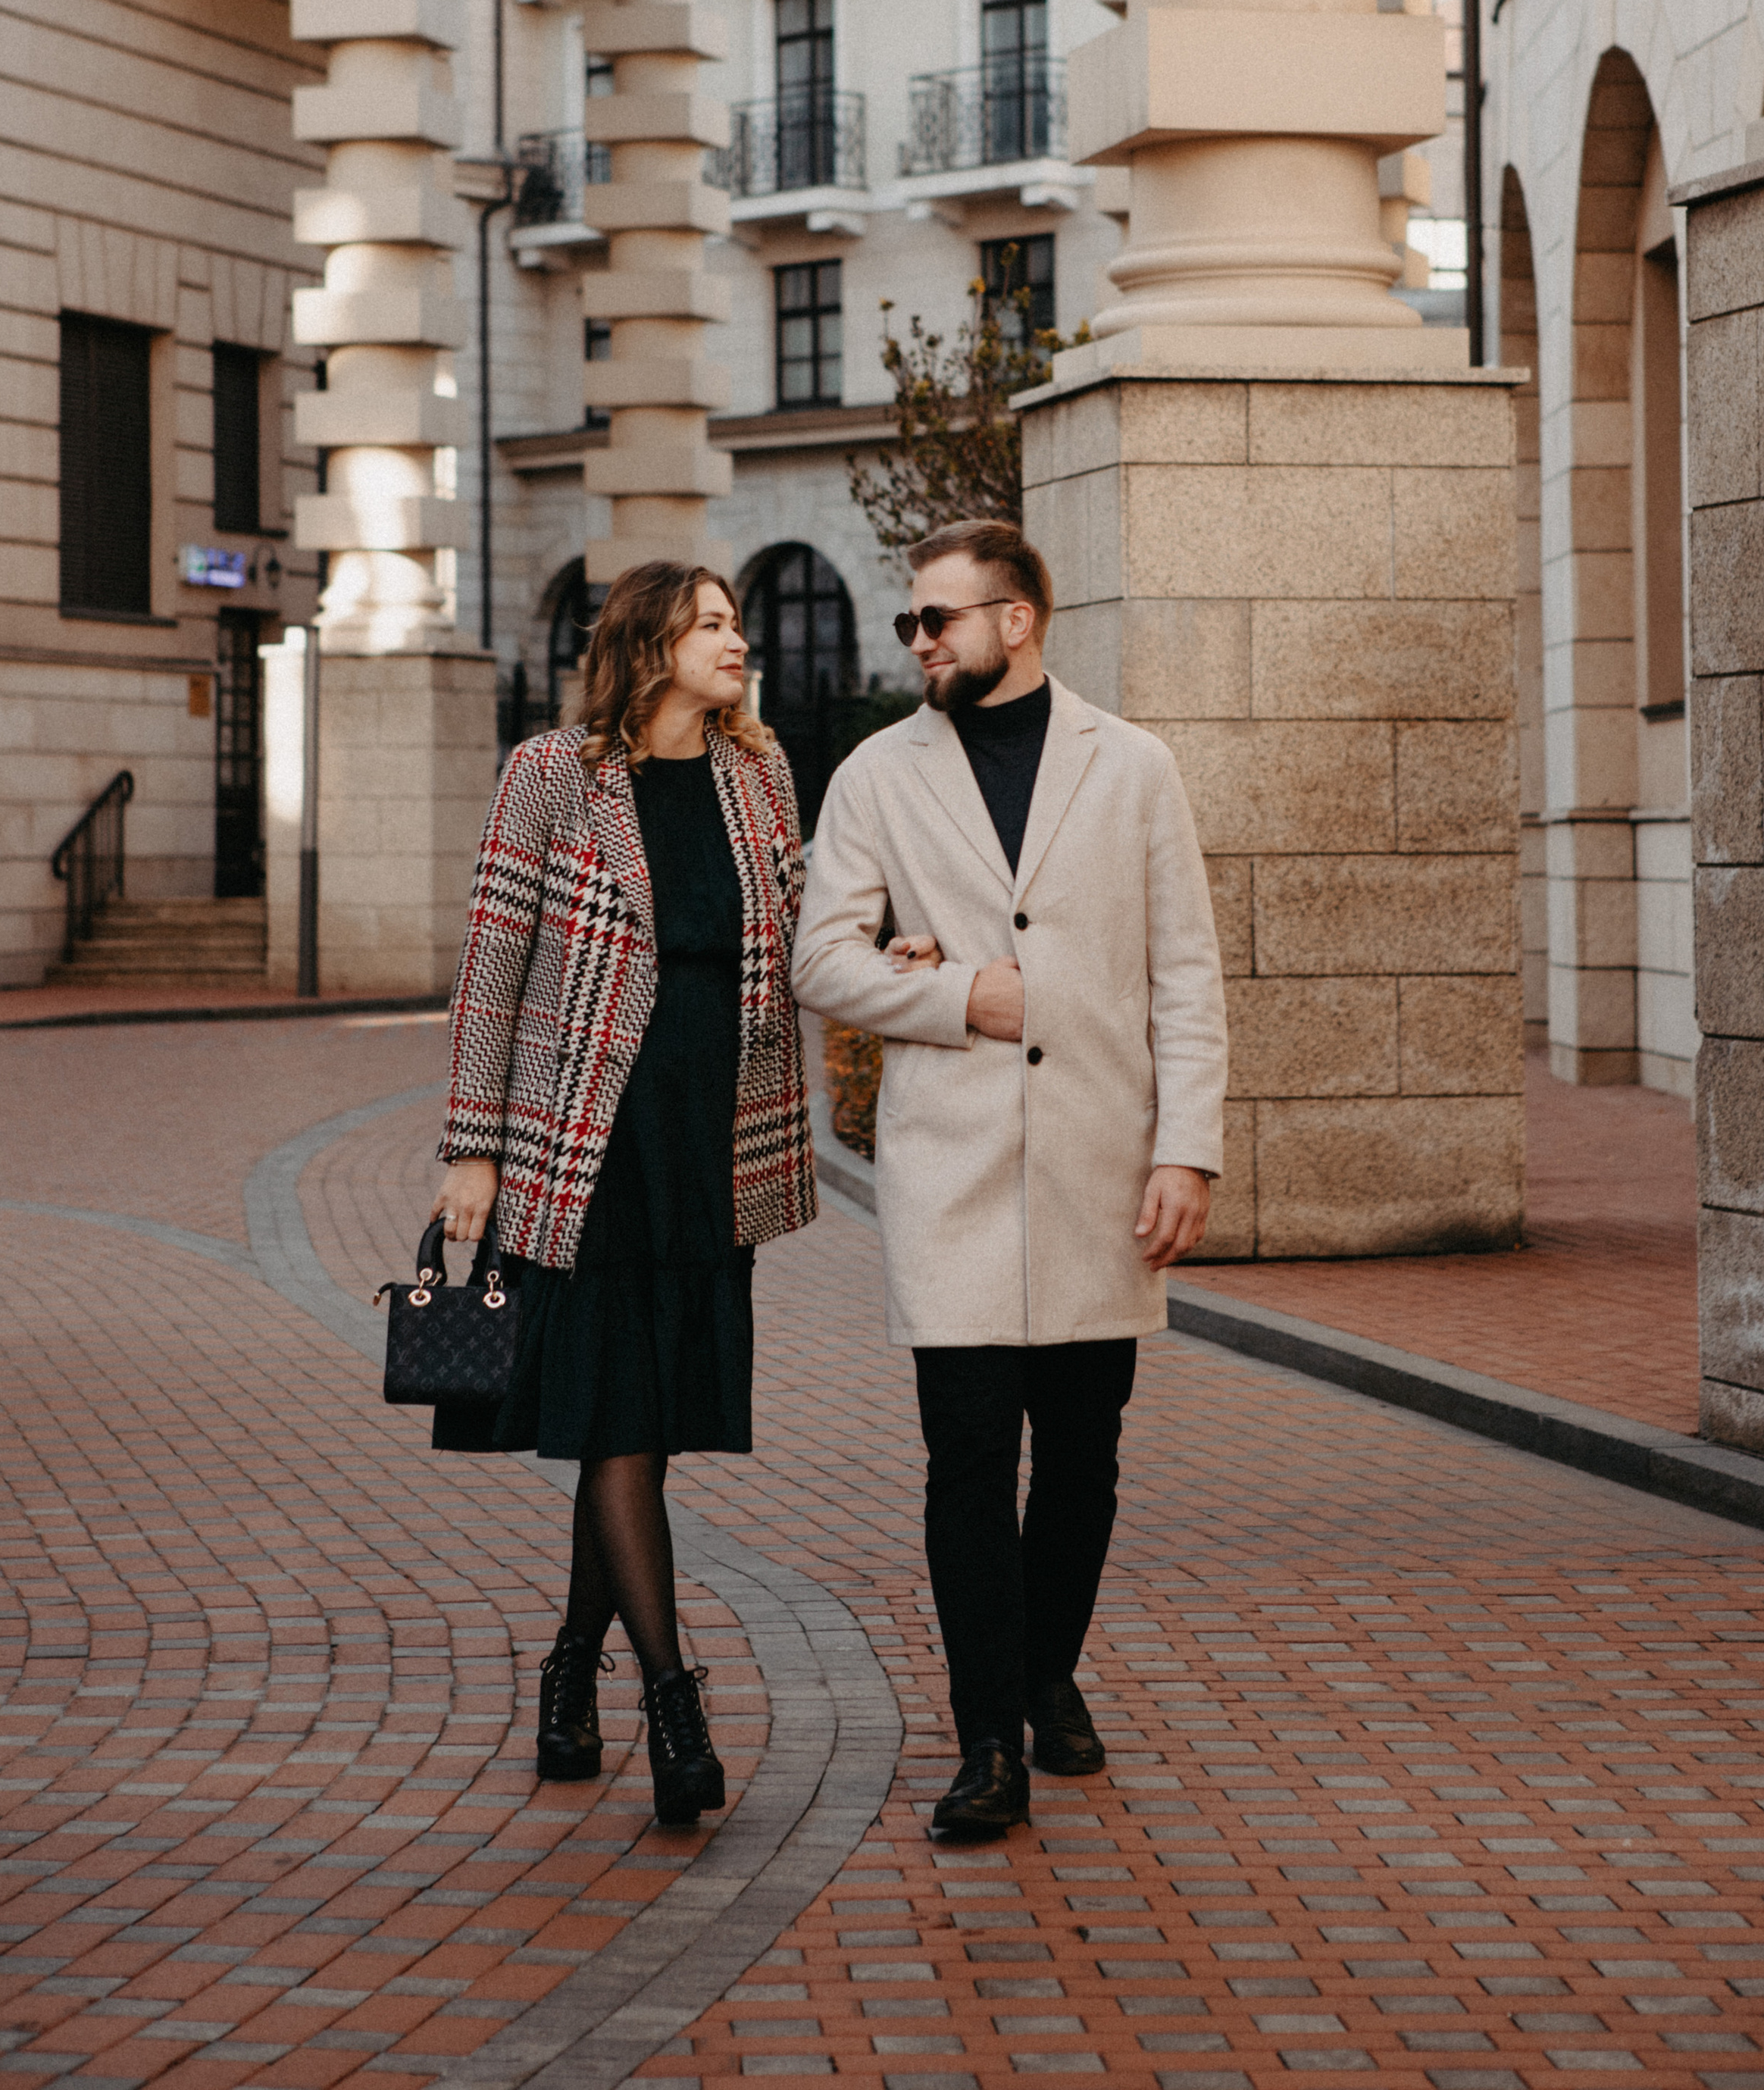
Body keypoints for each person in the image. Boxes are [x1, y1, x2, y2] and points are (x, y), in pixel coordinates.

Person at [791, 517, 1227, 1838]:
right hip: (953, 1171)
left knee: (1083, 1457)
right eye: (911, 623)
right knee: (967, 1457)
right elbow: (821, 960)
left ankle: (1047, 1670)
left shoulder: (1134, 766)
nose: (921, 641)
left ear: (1019, 618)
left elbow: (1186, 977)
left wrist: (1187, 1148)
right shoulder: (875, 773)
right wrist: (956, 998)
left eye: (942, 620)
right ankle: (990, 1742)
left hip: (1103, 1161)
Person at [430, 560, 815, 1827]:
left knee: (644, 1429)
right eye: (712, 624)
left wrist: (896, 948)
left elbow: (803, 929)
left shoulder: (759, 773)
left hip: (714, 1143)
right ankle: (672, 1700)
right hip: (584, 1145)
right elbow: (494, 964)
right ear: (649, 645)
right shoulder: (554, 775)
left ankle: (563, 1672)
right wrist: (470, 1146)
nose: (737, 642)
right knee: (619, 1423)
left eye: (737, 625)